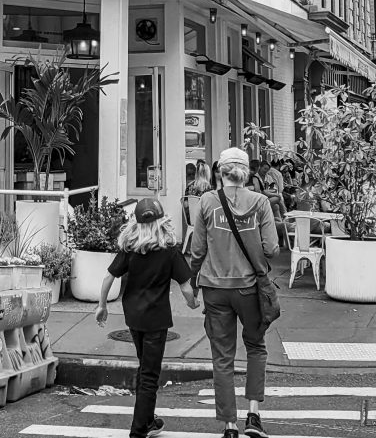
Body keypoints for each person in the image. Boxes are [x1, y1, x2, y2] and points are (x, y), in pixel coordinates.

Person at [190, 147, 279, 438]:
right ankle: (253, 414)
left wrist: (191, 283)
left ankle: (229, 425)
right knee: (256, 347)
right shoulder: (261, 203)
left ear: (220, 172)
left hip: (214, 288)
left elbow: (198, 250)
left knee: (222, 357)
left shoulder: (206, 202)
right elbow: (272, 249)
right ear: (247, 173)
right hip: (249, 288)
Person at [95, 198, 198, 438]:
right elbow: (185, 286)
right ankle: (138, 430)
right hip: (157, 319)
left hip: (134, 317)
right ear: (162, 221)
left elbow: (109, 278)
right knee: (150, 375)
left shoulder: (130, 248)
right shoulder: (170, 250)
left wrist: (102, 306)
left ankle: (148, 420)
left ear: (137, 222)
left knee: (145, 368)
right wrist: (193, 303)